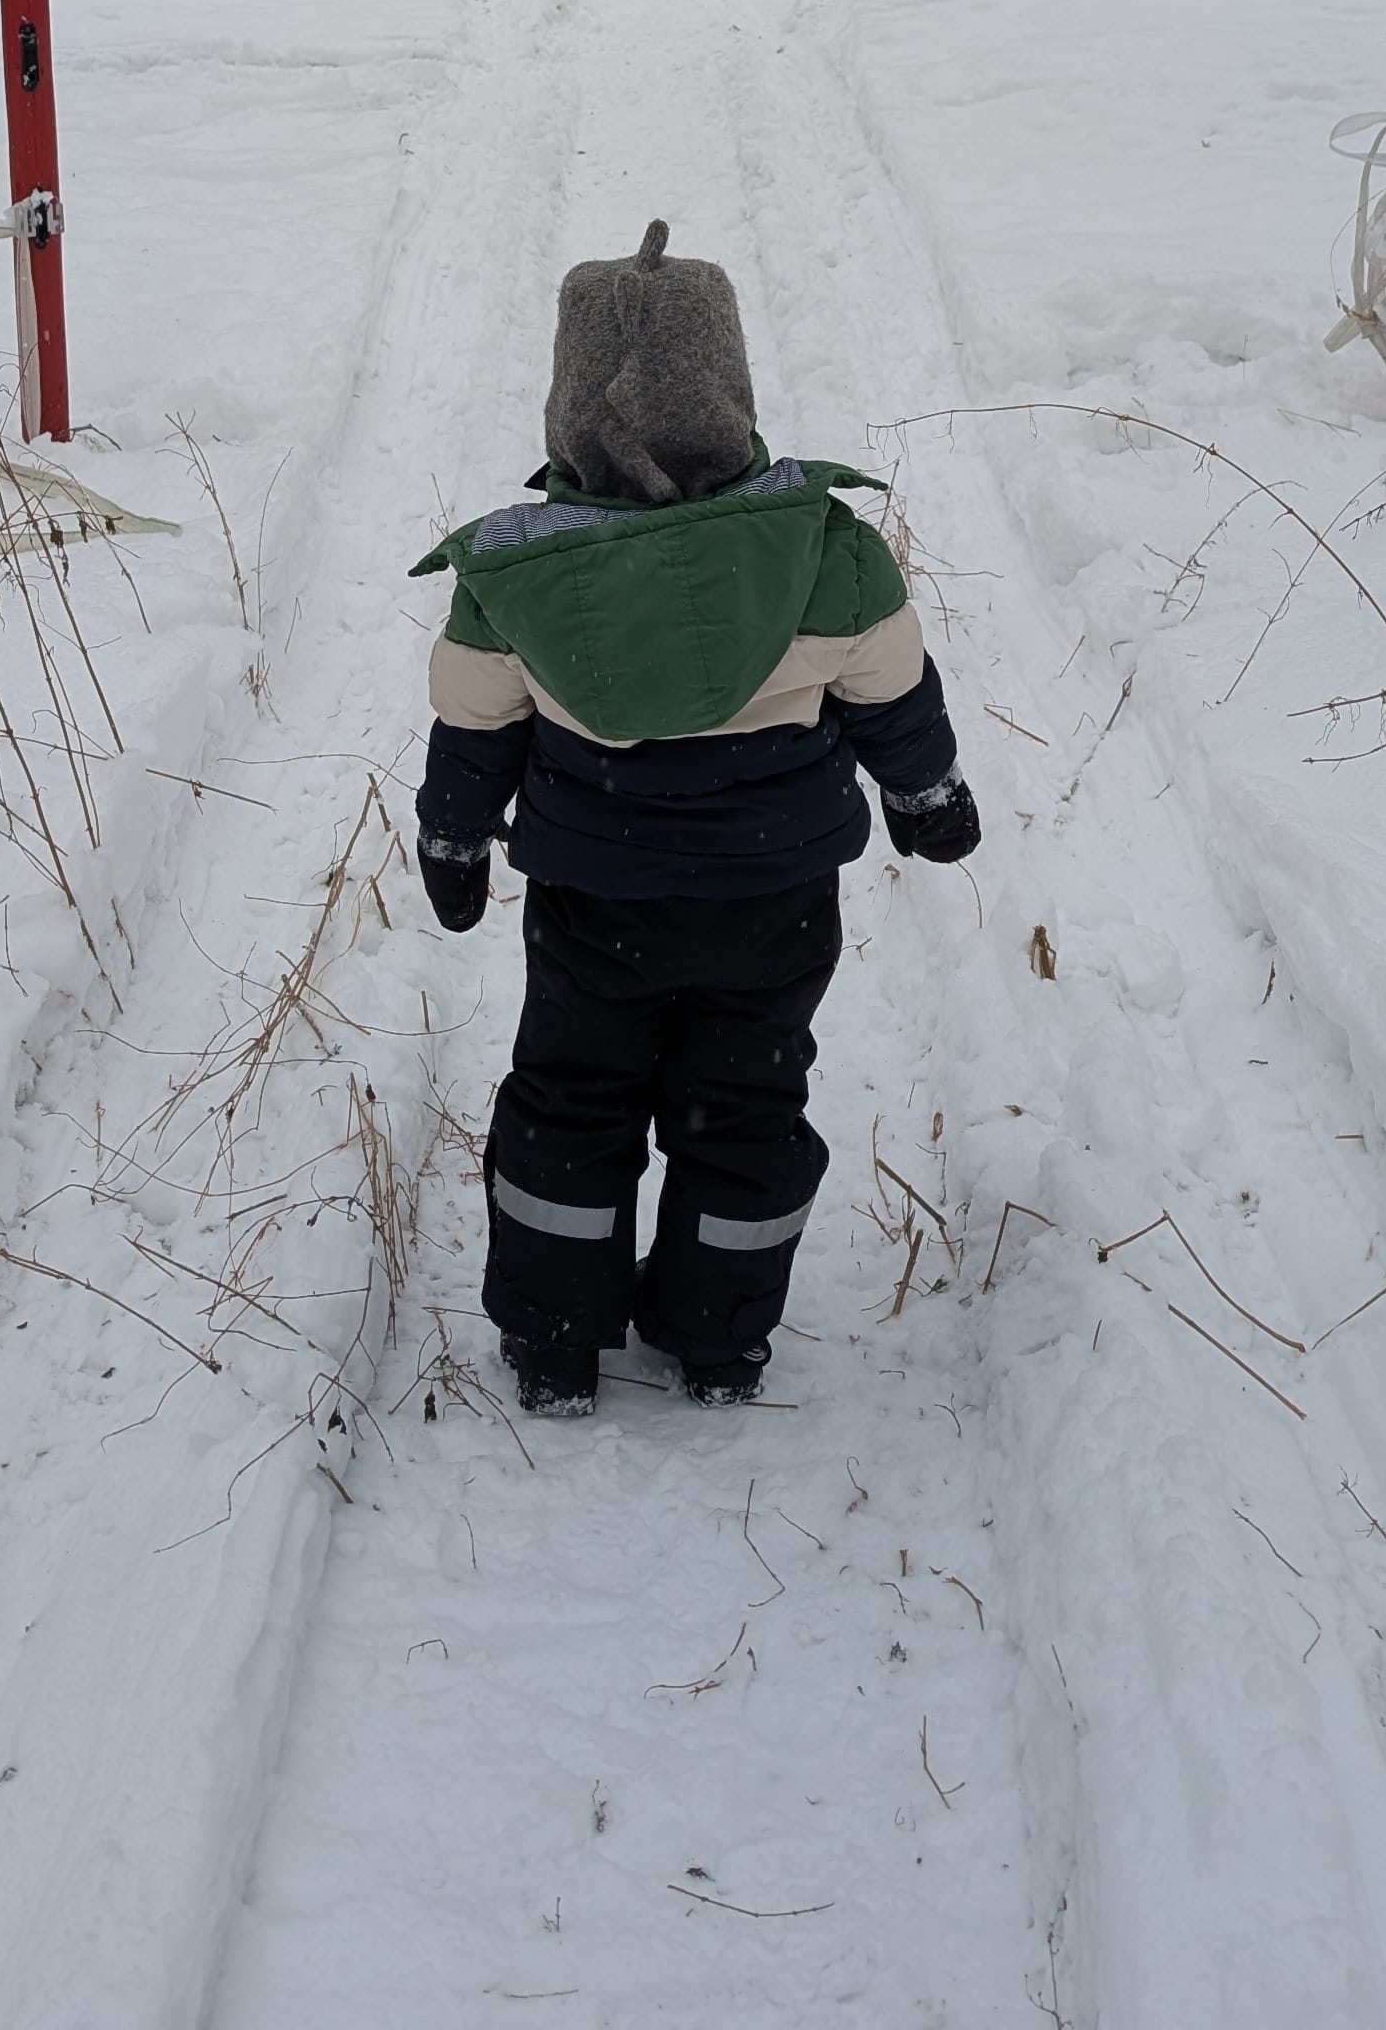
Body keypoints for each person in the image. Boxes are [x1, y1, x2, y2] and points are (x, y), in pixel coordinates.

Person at [409, 219, 980, 1418]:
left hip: (594, 902)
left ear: (569, 405)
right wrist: (927, 795)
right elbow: (893, 695)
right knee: (750, 1104)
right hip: (770, 905)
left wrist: (455, 836)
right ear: (729, 386)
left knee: (570, 1099)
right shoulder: (828, 551)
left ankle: (558, 1340)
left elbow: (474, 729)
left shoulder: (517, 576)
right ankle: (717, 1339)